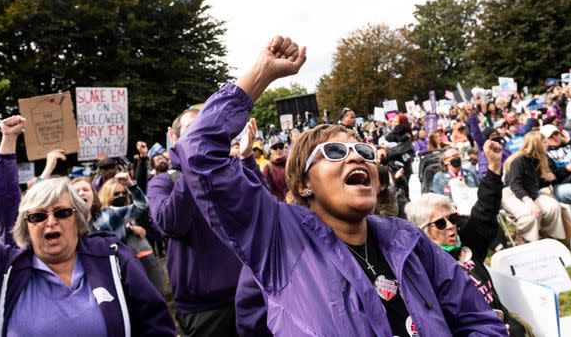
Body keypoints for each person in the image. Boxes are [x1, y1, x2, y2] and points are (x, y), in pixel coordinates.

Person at [175, 35, 507, 336]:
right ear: (305, 183)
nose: (356, 158)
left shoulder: (407, 239)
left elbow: (477, 319)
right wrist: (261, 73)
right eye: (334, 152)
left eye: (362, 150)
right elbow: (199, 151)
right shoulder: (278, 240)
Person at [0, 115, 175, 336]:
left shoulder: (114, 258)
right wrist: (8, 140)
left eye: (63, 213)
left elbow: (155, 325)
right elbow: (2, 199)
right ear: (25, 225)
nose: (51, 222)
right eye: (38, 217)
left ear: (79, 219)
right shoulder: (0, 269)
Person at [405, 139, 529, 336]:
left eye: (452, 218)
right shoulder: (425, 269)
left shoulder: (466, 245)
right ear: (423, 231)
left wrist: (494, 167)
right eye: (440, 223)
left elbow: (484, 211)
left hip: (508, 327)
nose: (450, 226)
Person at [146, 107, 245, 337]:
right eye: (193, 130)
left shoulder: (228, 171)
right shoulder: (163, 182)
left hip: (248, 295)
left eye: (206, 128)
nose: (201, 135)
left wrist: (246, 161)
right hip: (203, 310)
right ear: (174, 137)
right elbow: (170, 224)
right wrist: (194, 168)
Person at [501, 131, 570, 242]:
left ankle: (552, 239)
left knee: (553, 207)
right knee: (530, 214)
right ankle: (528, 241)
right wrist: (529, 202)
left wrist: (549, 179)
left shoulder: (538, 160)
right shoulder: (519, 160)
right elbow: (515, 185)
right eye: (545, 142)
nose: (548, 144)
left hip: (530, 192)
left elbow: (535, 184)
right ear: (537, 144)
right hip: (512, 194)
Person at [262, 135, 288, 202]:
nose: (278, 150)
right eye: (275, 147)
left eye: (280, 147)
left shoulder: (291, 162)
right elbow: (268, 191)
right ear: (270, 150)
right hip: (282, 205)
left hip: (298, 202)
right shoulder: (268, 168)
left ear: (284, 148)